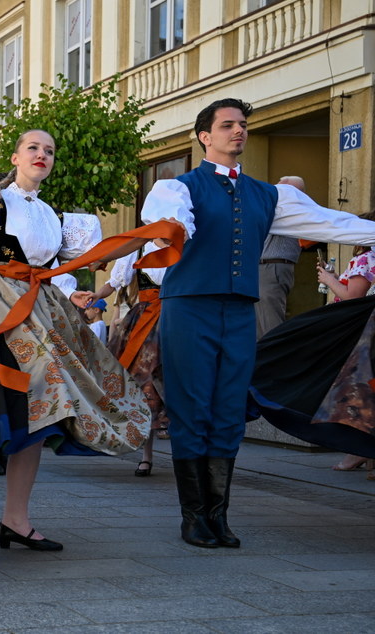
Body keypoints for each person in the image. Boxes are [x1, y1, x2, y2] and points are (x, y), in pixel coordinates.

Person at [0, 129, 171, 564]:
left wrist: (149, 237)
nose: (42, 155)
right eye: (34, 148)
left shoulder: (55, 215)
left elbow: (83, 261)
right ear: (16, 157)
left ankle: (15, 519)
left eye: (50, 150)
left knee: (39, 417)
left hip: (43, 308)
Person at [142, 98, 375, 549]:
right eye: (227, 125)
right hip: (189, 307)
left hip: (237, 311)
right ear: (204, 136)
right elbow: (169, 227)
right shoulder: (178, 189)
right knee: (191, 407)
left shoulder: (269, 195)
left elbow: (333, 223)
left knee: (229, 409)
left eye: (243, 125)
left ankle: (218, 516)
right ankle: (193, 518)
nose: (238, 131)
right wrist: (179, 231)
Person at [252, 215, 375, 475]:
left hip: (355, 331)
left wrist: (329, 281)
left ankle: (357, 450)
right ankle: (363, 452)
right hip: (360, 330)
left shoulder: (367, 258)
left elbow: (354, 297)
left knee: (348, 388)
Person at [78, 244, 170, 476]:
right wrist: (97, 295)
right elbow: (115, 282)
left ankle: (187, 454)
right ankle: (146, 456)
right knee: (144, 384)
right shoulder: (140, 249)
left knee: (176, 382)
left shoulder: (185, 243)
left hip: (177, 318)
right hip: (145, 323)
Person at [255, 177, 307, 338]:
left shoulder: (289, 209)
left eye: (281, 188)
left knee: (270, 325)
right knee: (259, 324)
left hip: (272, 267)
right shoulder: (278, 208)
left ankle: (274, 360)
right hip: (266, 267)